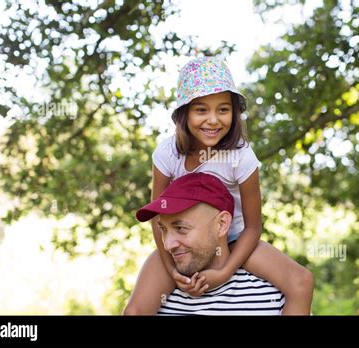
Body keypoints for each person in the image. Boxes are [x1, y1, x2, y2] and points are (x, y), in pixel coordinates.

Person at [124, 56, 313, 315]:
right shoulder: (167, 153)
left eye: (223, 110)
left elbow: (254, 226)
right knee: (135, 310)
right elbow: (159, 216)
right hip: (182, 238)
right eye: (201, 110)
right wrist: (171, 270)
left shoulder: (242, 157)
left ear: (233, 113)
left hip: (235, 240)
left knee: (301, 281)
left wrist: (225, 271)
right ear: (184, 114)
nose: (213, 120)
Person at [127, 173, 285, 315]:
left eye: (181, 228)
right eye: (163, 229)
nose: (168, 245)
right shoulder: (154, 295)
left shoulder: (274, 297)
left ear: (221, 224)